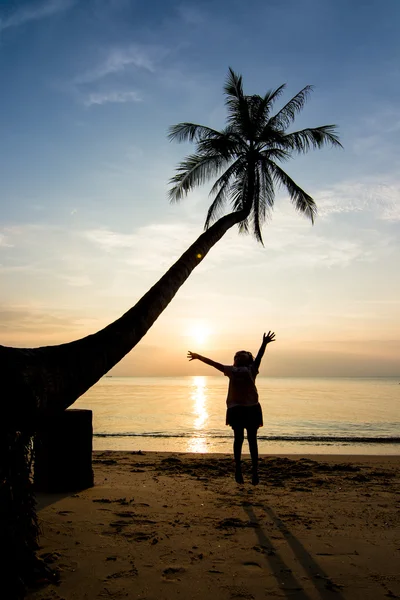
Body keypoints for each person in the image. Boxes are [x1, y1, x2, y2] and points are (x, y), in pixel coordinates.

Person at [187, 331, 275, 485]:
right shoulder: (231, 370)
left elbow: (260, 356)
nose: (240, 355)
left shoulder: (252, 369)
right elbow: (214, 363)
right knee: (238, 439)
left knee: (252, 440)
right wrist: (198, 356)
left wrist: (264, 343)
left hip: (252, 408)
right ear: (235, 360)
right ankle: (238, 469)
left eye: (243, 354)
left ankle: (255, 470)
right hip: (236, 409)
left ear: (248, 358)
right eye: (237, 354)